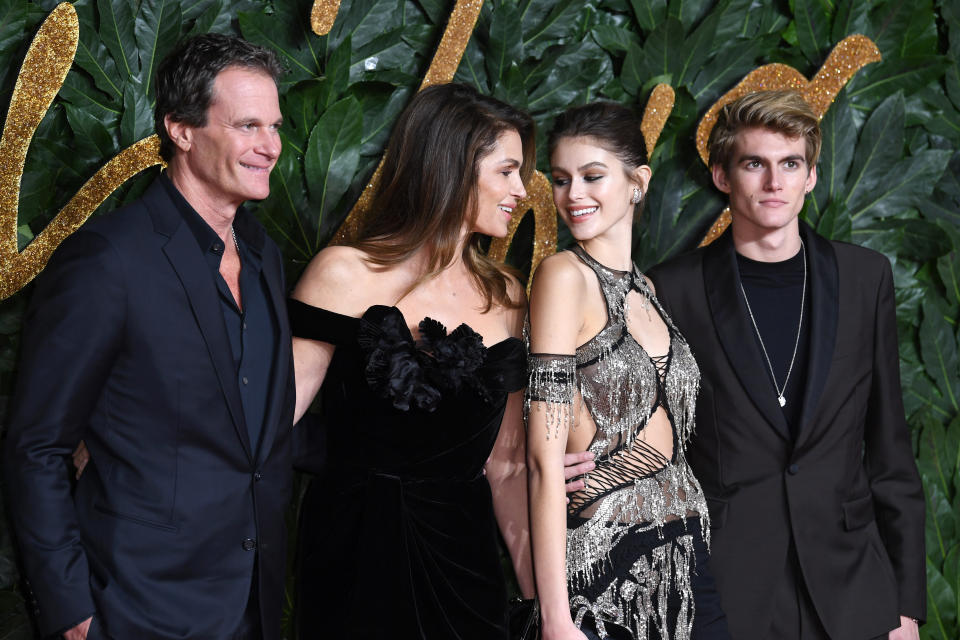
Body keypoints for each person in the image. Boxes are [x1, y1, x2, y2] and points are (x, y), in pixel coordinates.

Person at [3, 34, 294, 640]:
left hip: (251, 603)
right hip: (134, 605)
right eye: (246, 126)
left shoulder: (264, 256)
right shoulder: (108, 259)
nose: (270, 147)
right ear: (181, 130)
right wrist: (71, 614)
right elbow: (38, 447)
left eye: (274, 126)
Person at [646, 90, 926, 639]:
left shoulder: (866, 278)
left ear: (811, 176)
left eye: (790, 164)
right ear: (723, 177)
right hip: (728, 587)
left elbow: (891, 453)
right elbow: (658, 446)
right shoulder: (672, 289)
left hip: (855, 592)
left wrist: (906, 605)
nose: (775, 183)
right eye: (755, 164)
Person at [288, 82, 535, 639]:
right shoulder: (344, 274)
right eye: (507, 171)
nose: (521, 189)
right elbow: (270, 418)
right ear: (451, 167)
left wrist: (543, 604)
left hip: (466, 561)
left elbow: (506, 465)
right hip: (352, 552)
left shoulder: (509, 298)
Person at [527, 102, 728, 640]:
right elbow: (544, 460)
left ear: (638, 182)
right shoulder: (562, 277)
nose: (574, 195)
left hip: (689, 560)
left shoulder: (649, 291)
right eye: (561, 180)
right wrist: (556, 620)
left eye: (593, 176)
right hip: (607, 571)